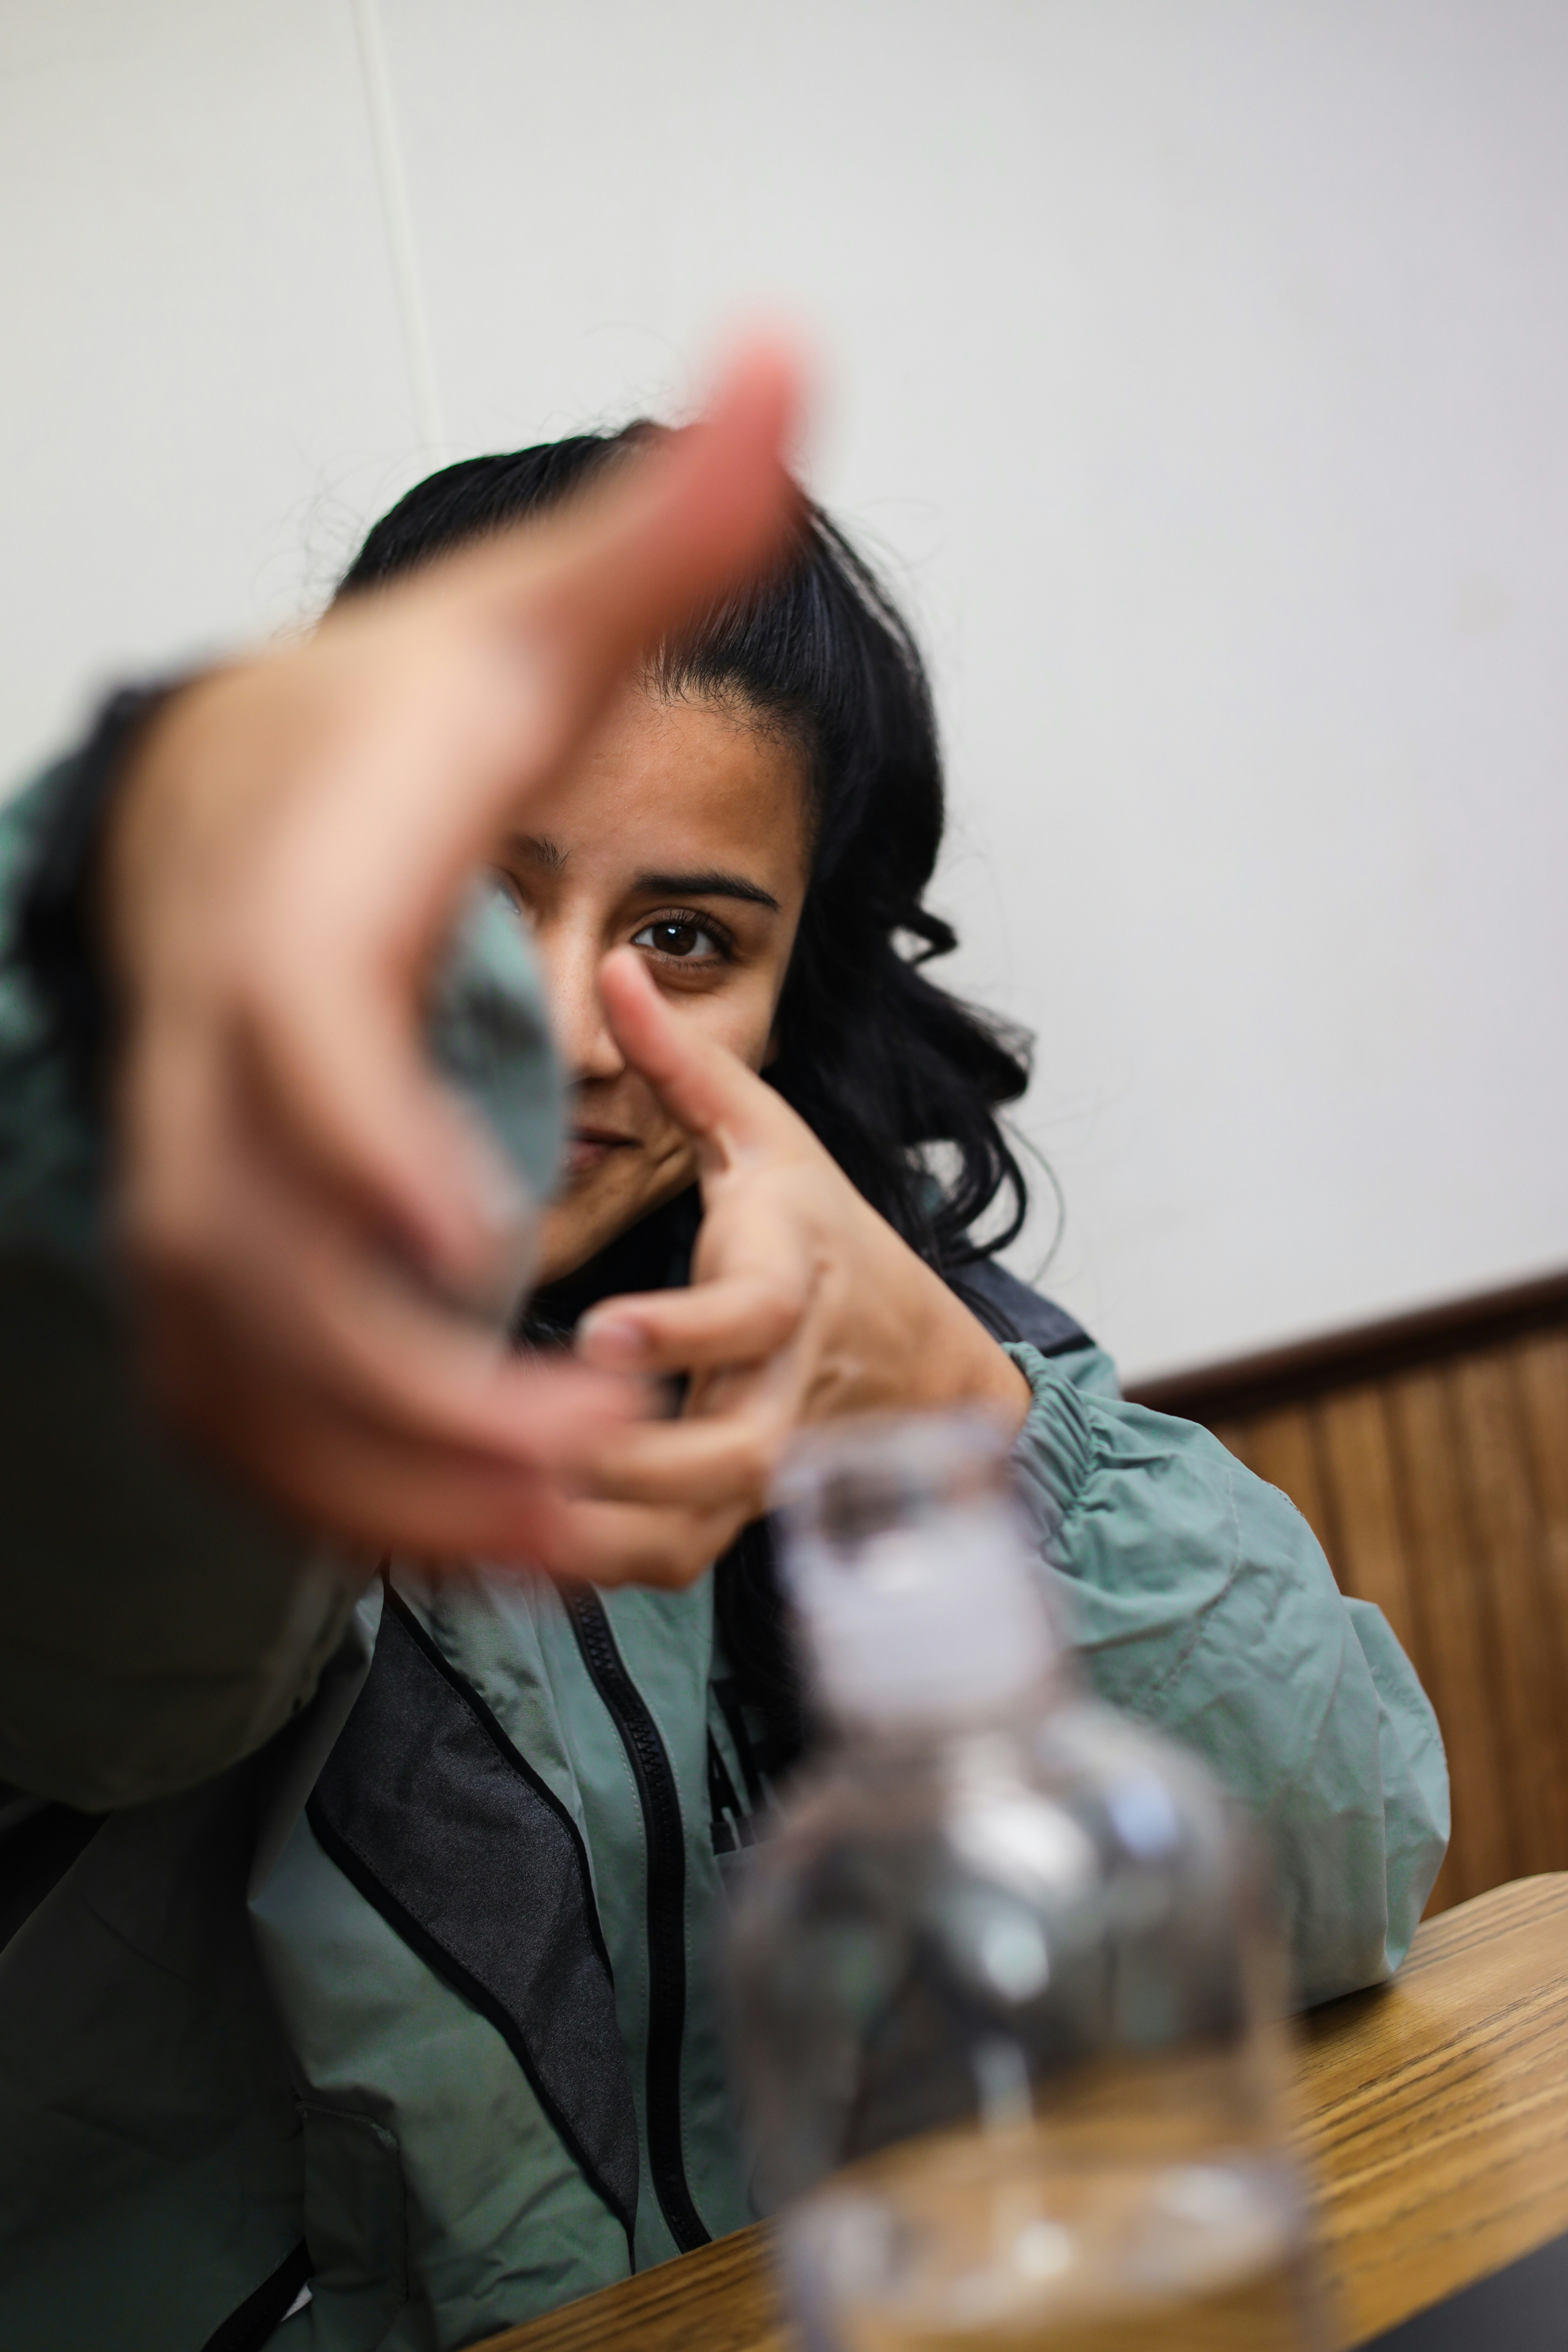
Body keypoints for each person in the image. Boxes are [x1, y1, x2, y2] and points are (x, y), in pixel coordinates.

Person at [0, 408, 1448, 2350]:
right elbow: (114, 1627)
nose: (561, 1024)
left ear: (796, 986)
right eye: (471, 896)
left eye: (684, 936)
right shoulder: (168, 1337)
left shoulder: (883, 1323)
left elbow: (1341, 1883)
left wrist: (978, 1427)